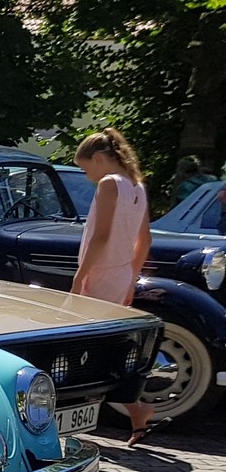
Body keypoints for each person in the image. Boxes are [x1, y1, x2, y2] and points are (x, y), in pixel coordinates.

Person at [71, 126, 156, 443]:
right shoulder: (137, 186)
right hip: (120, 275)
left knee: (86, 350)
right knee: (108, 348)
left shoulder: (109, 184)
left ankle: (128, 410)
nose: (88, 176)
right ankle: (135, 410)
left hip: (100, 273)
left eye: (85, 169)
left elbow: (101, 236)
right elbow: (144, 239)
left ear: (98, 158)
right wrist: (131, 277)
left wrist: (81, 275)